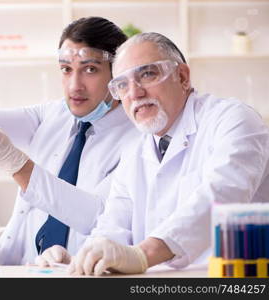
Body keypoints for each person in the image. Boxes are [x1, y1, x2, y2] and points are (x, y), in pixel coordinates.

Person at [38, 32, 269, 275]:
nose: (134, 93)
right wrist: (84, 258)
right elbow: (113, 225)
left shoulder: (233, 120)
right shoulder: (135, 148)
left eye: (147, 74)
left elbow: (220, 197)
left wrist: (142, 255)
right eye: (122, 85)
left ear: (182, 76)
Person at [0, 17, 141, 265]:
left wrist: (15, 164)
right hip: (20, 267)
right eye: (66, 69)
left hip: (77, 272)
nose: (75, 85)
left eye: (90, 69)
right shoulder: (52, 115)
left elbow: (97, 215)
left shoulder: (138, 140)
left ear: (118, 75)